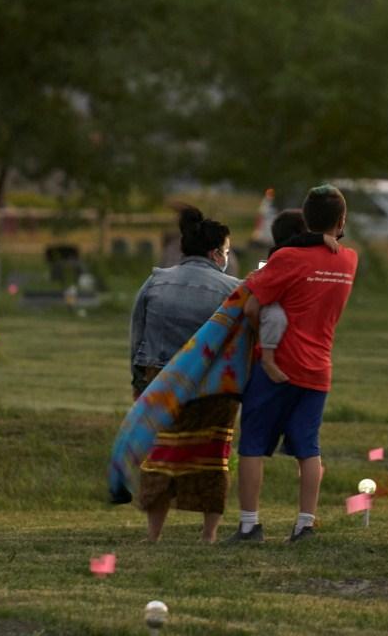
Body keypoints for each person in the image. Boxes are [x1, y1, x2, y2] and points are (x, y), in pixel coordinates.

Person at [228, 185, 358, 543]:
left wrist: (261, 342)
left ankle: (250, 525)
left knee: (253, 444)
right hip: (318, 368)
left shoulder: (287, 259)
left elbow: (252, 303)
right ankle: (305, 524)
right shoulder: (349, 260)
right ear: (341, 221)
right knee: (308, 448)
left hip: (277, 365)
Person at [129, 205, 240, 543]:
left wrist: (138, 383)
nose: (226, 256)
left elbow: (138, 334)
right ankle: (208, 534)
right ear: (214, 253)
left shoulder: (156, 280)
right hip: (212, 388)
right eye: (226, 250)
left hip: (160, 380)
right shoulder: (232, 289)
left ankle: (153, 534)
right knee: (211, 458)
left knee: (161, 455)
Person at [259, 208, 340, 383]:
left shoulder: (291, 253)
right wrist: (320, 238)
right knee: (276, 317)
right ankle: (268, 359)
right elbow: (302, 240)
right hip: (271, 305)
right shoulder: (282, 251)